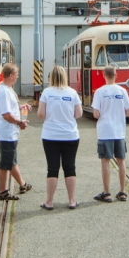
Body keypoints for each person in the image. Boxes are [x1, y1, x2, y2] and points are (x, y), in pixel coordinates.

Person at [37, 65, 82, 210]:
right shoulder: (73, 93)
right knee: (70, 167)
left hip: (50, 135)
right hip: (70, 135)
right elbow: (79, 114)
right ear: (65, 77)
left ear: (51, 78)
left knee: (52, 168)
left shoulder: (46, 92)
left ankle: (49, 202)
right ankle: (72, 201)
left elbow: (40, 115)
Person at [0, 63, 32, 201]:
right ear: (11, 76)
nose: (17, 76)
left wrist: (21, 106)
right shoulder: (4, 91)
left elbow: (9, 109)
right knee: (6, 162)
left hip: (8, 132)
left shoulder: (5, 89)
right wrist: (19, 122)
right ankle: (2, 191)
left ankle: (22, 184)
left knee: (11, 160)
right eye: (16, 74)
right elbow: (6, 115)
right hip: (7, 132)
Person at [92, 65, 129, 203]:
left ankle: (107, 193)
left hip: (105, 131)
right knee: (121, 161)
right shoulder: (122, 91)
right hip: (119, 131)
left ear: (103, 75)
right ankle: (122, 192)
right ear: (116, 75)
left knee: (105, 161)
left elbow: (96, 114)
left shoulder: (99, 92)